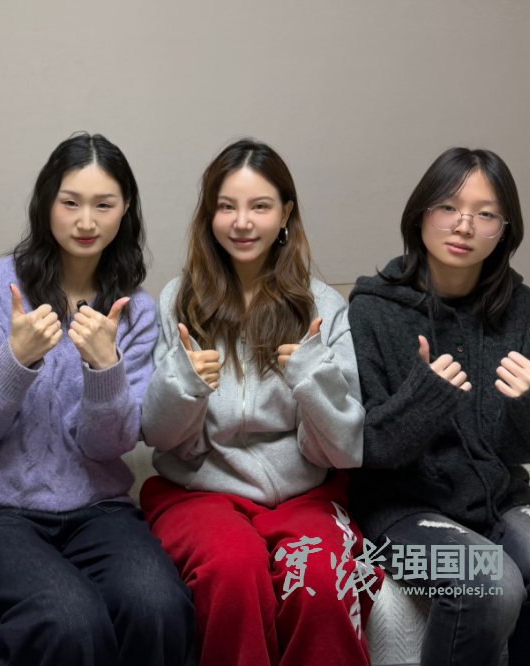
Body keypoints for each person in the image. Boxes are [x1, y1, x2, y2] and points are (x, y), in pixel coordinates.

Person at [0, 133, 195, 666]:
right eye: (71, 202)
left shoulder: (134, 309)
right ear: (45, 203)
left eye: (104, 205)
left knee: (159, 605)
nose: (86, 221)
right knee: (70, 621)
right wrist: (17, 360)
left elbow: (110, 446)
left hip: (100, 510)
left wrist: (104, 368)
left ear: (126, 209)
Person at [140, 139, 381, 666]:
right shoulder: (179, 299)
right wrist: (184, 384)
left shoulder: (323, 305)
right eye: (227, 206)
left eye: (260, 206)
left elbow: (344, 448)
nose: (242, 222)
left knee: (321, 579)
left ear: (286, 214)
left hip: (306, 498)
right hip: (200, 494)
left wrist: (312, 380)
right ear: (209, 215)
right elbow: (160, 436)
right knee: (233, 569)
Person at [347, 147, 530, 666]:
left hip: (499, 499)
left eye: (485, 214)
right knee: (491, 584)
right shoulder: (371, 310)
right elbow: (364, 451)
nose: (463, 226)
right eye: (448, 207)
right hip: (397, 515)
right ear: (420, 215)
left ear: (503, 232)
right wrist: (424, 400)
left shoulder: (521, 308)